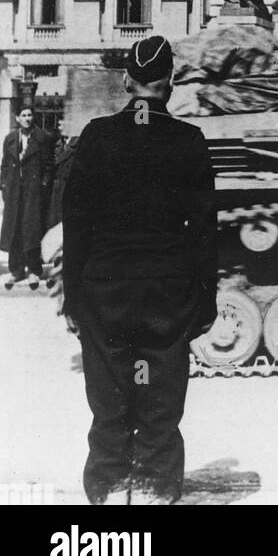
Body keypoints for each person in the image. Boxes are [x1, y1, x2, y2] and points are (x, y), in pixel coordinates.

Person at [62, 35, 218, 506]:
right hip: (167, 290)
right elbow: (205, 230)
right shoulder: (189, 140)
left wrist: (72, 295)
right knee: (161, 393)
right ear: (170, 82)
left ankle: (108, 484)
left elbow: (76, 222)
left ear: (127, 80)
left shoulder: (96, 136)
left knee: (108, 392)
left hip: (104, 287)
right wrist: (205, 299)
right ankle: (155, 484)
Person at [1, 105, 53, 289]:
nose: (27, 118)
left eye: (30, 115)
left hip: (34, 192)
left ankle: (33, 271)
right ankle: (16, 270)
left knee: (31, 230)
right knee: (14, 229)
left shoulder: (43, 138)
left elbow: (49, 166)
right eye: (23, 115)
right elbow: (5, 165)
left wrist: (43, 186)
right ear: (17, 118)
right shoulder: (10, 139)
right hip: (14, 192)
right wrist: (5, 186)